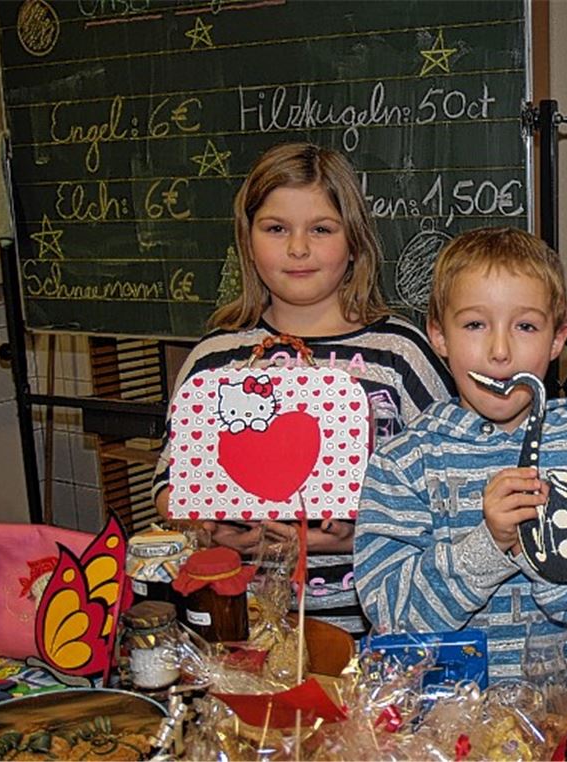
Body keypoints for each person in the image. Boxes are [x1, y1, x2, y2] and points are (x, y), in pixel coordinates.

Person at [152, 142, 454, 635]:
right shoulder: (216, 359)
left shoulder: (401, 354)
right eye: (276, 229)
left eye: (321, 229)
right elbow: (170, 484)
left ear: (353, 241)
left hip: (377, 627)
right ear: (248, 240)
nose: (297, 248)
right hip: (240, 624)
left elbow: (452, 486)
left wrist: (363, 532)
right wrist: (209, 525)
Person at [353, 227, 567, 682]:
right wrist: (487, 545)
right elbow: (392, 617)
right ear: (438, 335)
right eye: (475, 325)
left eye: (526, 327)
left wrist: (549, 554)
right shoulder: (403, 465)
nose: (499, 352)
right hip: (449, 729)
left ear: (557, 341)